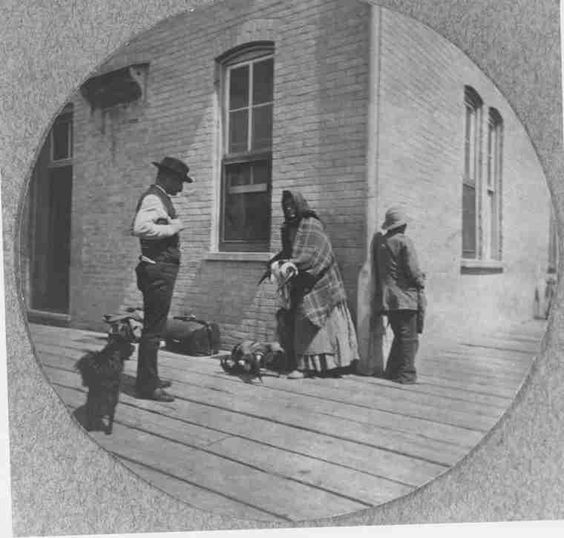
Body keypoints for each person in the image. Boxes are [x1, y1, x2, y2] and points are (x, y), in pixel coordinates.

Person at [274, 190, 359, 379]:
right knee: (293, 316)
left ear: (299, 204)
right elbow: (290, 251)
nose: (289, 209)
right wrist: (276, 262)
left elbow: (316, 254)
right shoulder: (288, 227)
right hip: (300, 278)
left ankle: (312, 367)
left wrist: (293, 263)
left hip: (320, 279)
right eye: (286, 205)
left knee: (307, 315)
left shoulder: (312, 224)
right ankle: (302, 362)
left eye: (292, 204)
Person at [131, 156, 193, 401]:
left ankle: (150, 377)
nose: (181, 187)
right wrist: (173, 228)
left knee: (154, 328)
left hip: (159, 269)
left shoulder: (159, 198)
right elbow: (140, 228)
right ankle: (147, 386)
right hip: (158, 270)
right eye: (180, 181)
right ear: (168, 177)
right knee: (153, 331)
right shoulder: (154, 198)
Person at [371, 206, 425, 384]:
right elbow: (412, 270)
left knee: (400, 335)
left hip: (388, 299)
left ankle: (392, 371)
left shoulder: (381, 242)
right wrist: (421, 281)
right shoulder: (404, 241)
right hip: (405, 298)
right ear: (401, 226)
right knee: (409, 338)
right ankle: (407, 374)